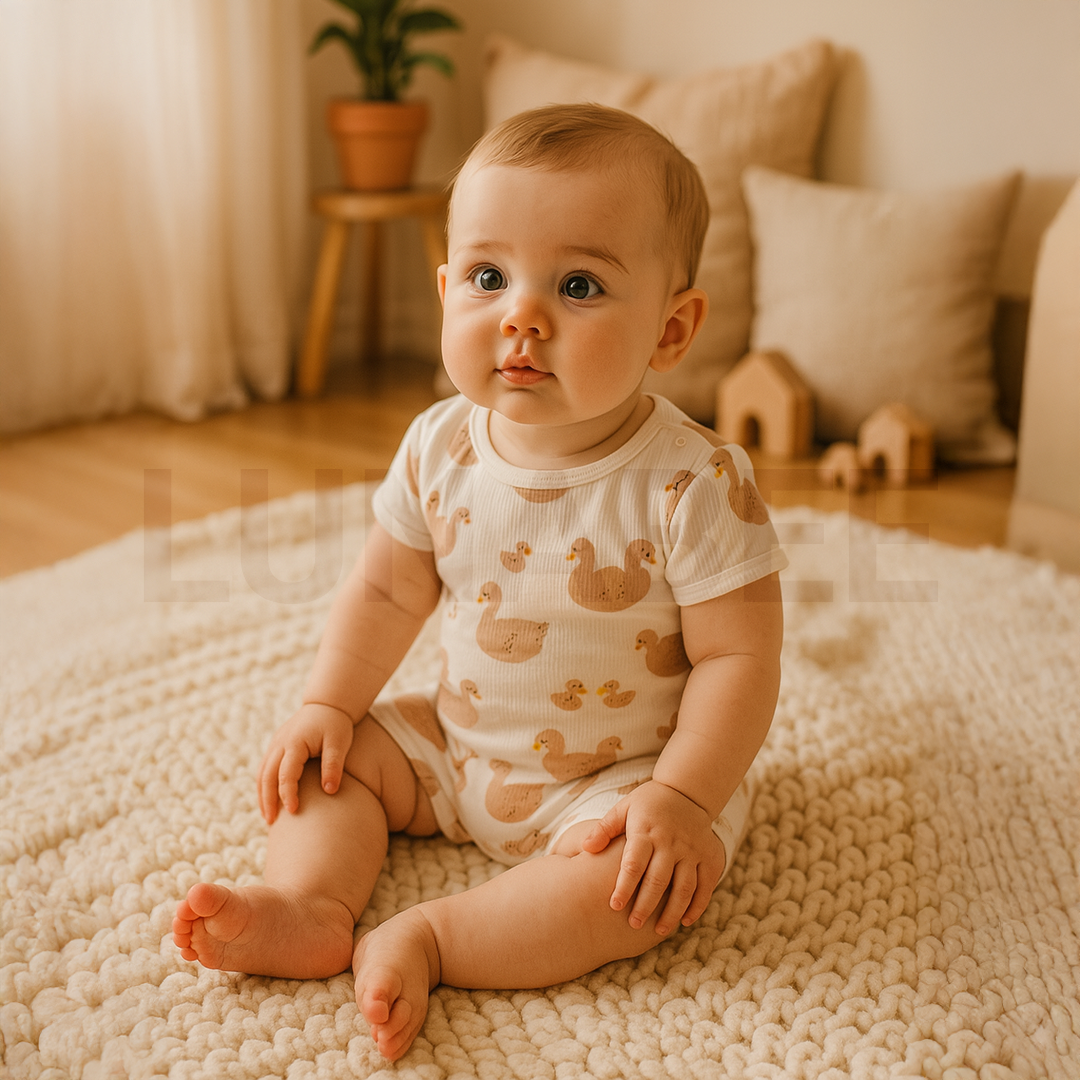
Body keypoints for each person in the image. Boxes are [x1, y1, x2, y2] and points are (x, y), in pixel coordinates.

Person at [173, 103, 787, 1062]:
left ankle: (435, 936)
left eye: (578, 284)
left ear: (672, 330)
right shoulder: (440, 445)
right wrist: (331, 701)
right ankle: (309, 904)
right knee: (327, 766)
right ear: (448, 286)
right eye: (489, 277)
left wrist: (684, 797)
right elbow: (385, 593)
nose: (522, 316)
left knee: (638, 890)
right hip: (459, 747)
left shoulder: (692, 481)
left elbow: (741, 657)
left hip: (622, 781)